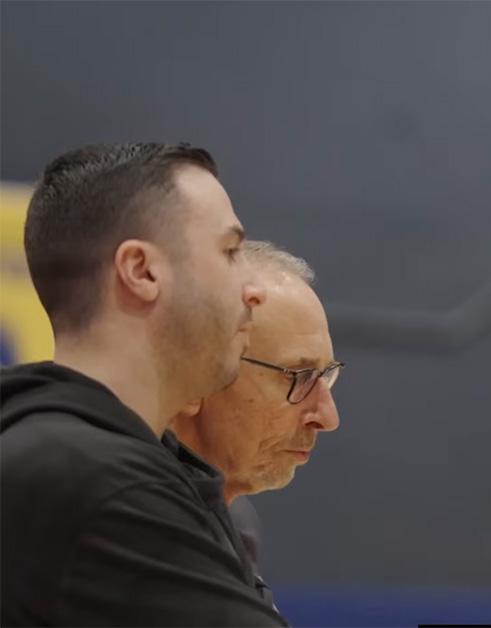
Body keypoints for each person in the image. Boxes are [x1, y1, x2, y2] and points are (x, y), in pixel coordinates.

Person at [0, 143, 286, 625]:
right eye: (231, 251)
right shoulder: (100, 485)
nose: (253, 289)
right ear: (140, 270)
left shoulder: (58, 449)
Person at [170, 240, 342, 605]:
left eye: (326, 376)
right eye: (296, 375)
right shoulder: (120, 529)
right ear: (195, 375)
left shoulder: (236, 525)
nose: (328, 418)